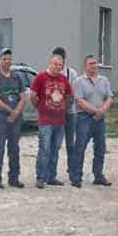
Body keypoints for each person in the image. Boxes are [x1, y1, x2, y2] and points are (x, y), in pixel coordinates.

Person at [0, 48, 27, 189]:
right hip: (0, 118)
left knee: (14, 148)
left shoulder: (17, 76)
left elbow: (22, 97)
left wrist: (16, 112)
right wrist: (10, 111)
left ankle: (14, 178)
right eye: (4, 59)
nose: (7, 61)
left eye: (9, 59)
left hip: (16, 119)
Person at [68, 55, 113, 187]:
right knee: (80, 147)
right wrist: (95, 111)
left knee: (100, 148)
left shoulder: (104, 80)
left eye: (95, 63)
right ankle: (76, 177)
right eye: (91, 63)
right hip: (84, 118)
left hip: (100, 119)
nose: (94, 66)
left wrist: (102, 110)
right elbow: (79, 101)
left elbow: (109, 97)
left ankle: (98, 176)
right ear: (85, 66)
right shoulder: (79, 82)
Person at [30, 48, 72, 187]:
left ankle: (51, 176)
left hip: (59, 121)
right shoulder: (40, 77)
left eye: (60, 65)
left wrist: (63, 107)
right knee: (45, 149)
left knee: (55, 149)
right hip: (45, 121)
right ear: (50, 63)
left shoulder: (63, 79)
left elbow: (68, 95)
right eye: (55, 64)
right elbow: (33, 96)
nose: (57, 67)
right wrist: (40, 108)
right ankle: (41, 177)